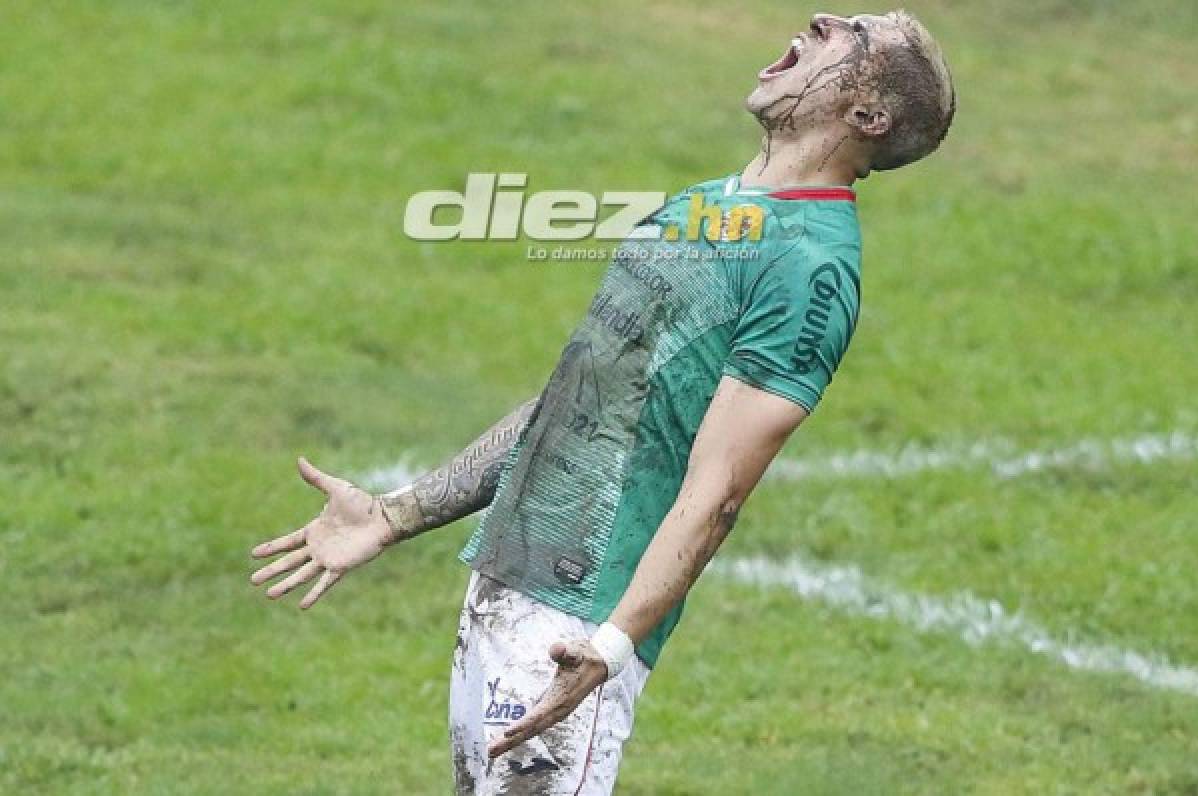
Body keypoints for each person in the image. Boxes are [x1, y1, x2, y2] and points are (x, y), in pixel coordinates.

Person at [250, 10, 954, 794]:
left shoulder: (809, 268)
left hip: (576, 622)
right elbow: (578, 399)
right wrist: (393, 516)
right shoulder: (708, 205)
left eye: (854, 36)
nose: (822, 18)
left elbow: (718, 490)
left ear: (868, 115)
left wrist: (612, 644)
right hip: (510, 580)